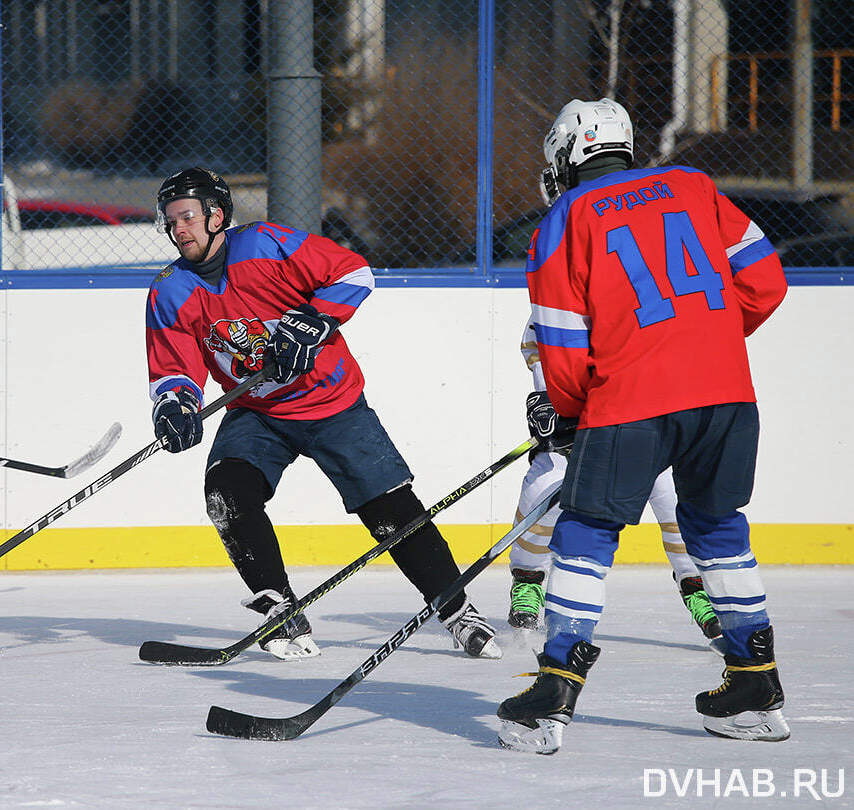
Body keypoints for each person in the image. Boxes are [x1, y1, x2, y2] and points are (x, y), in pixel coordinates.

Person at [496, 99, 789, 753]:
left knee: (583, 534)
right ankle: (754, 685)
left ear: (570, 153)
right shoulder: (694, 185)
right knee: (716, 530)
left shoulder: (563, 218)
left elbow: (563, 341)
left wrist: (569, 414)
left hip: (633, 402)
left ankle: (550, 700)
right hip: (725, 395)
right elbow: (765, 282)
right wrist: (700, 343)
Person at [145, 167, 501, 660]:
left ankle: (457, 611)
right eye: (171, 220)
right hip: (259, 412)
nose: (178, 228)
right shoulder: (170, 290)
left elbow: (354, 271)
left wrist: (313, 322)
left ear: (216, 215)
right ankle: (281, 613)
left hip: (332, 402)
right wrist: (176, 403)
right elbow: (173, 365)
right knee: (227, 493)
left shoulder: (267, 244)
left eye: (187, 216)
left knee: (391, 513)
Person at [506, 318, 720, 643]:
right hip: (582, 420)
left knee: (675, 496)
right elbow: (538, 339)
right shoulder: (564, 298)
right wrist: (551, 397)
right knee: (546, 485)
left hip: (644, 416)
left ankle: (696, 585)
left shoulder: (644, 290)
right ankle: (527, 577)